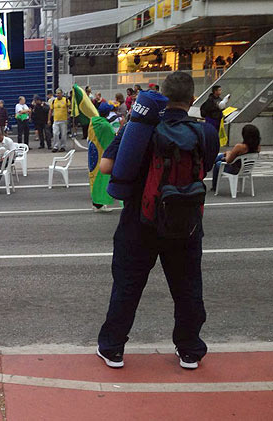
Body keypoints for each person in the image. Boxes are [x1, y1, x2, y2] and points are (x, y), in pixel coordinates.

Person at [96, 71, 219, 371]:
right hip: (185, 220)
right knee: (188, 286)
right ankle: (189, 350)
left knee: (127, 285)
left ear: (162, 95)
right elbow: (203, 169)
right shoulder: (205, 132)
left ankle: (113, 349)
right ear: (192, 100)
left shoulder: (141, 127)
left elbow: (105, 167)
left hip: (140, 220)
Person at [212, 124, 261, 191]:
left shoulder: (240, 147)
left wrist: (228, 153)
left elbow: (229, 160)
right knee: (221, 156)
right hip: (246, 169)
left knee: (218, 163)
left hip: (234, 169)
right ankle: (209, 163)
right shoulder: (258, 148)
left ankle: (214, 186)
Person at [88, 103, 117, 213]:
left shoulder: (94, 122)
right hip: (103, 156)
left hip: (93, 155)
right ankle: (99, 204)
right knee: (102, 180)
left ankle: (96, 203)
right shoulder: (106, 126)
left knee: (95, 179)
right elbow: (113, 139)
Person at [48, 88, 69, 152]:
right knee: (55, 133)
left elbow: (70, 108)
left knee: (63, 134)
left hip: (64, 120)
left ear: (61, 94)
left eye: (59, 93)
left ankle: (63, 146)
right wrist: (49, 119)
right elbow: (50, 110)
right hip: (56, 120)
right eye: (57, 93)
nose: (58, 94)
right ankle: (55, 146)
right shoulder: (54, 101)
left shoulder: (66, 100)